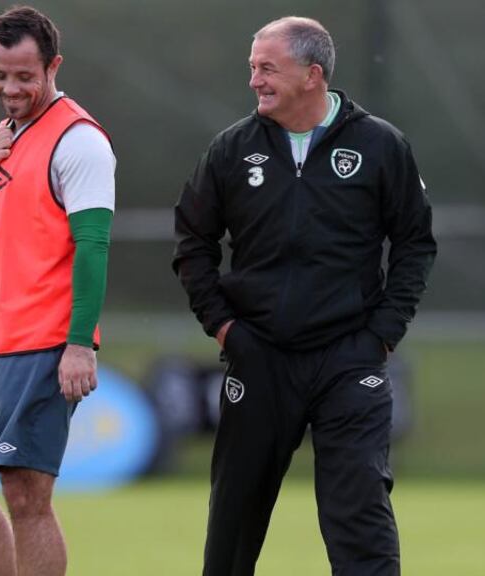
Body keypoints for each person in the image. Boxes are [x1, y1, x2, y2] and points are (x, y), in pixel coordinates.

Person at [173, 16, 437, 576]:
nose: (255, 81)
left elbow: (415, 244)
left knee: (359, 507)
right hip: (259, 354)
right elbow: (192, 240)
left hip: (348, 358)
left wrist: (382, 334)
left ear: (312, 74)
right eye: (252, 68)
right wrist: (224, 326)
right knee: (234, 517)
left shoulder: (380, 145)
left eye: (268, 68)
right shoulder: (231, 149)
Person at [0, 5, 115, 576]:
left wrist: (79, 344)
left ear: (53, 65)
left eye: (24, 76)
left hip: (38, 342)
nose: (10, 89)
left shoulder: (78, 142)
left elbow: (94, 246)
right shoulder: (2, 138)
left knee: (27, 495)